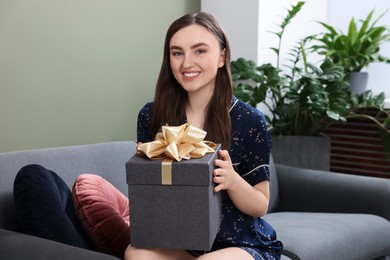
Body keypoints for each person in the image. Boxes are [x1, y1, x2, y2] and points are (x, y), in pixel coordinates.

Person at [124, 12, 283, 260]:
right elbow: (153, 200)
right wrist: (147, 170)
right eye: (177, 53)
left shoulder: (250, 120)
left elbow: (260, 205)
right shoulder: (151, 115)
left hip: (240, 244)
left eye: (199, 51)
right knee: (136, 254)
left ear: (221, 56)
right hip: (180, 243)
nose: (187, 63)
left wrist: (231, 180)